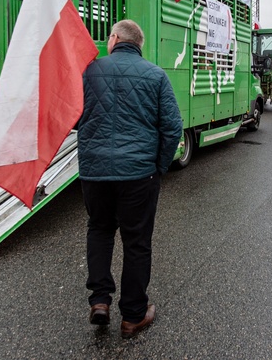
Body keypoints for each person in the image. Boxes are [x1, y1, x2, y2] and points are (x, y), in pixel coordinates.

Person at [78, 20, 182, 339]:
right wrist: (158, 166)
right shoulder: (155, 75)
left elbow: (73, 116)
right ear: (139, 44)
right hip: (139, 173)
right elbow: (172, 127)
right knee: (136, 242)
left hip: (95, 172)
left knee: (99, 230)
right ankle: (134, 315)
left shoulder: (89, 72)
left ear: (114, 38)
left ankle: (100, 301)